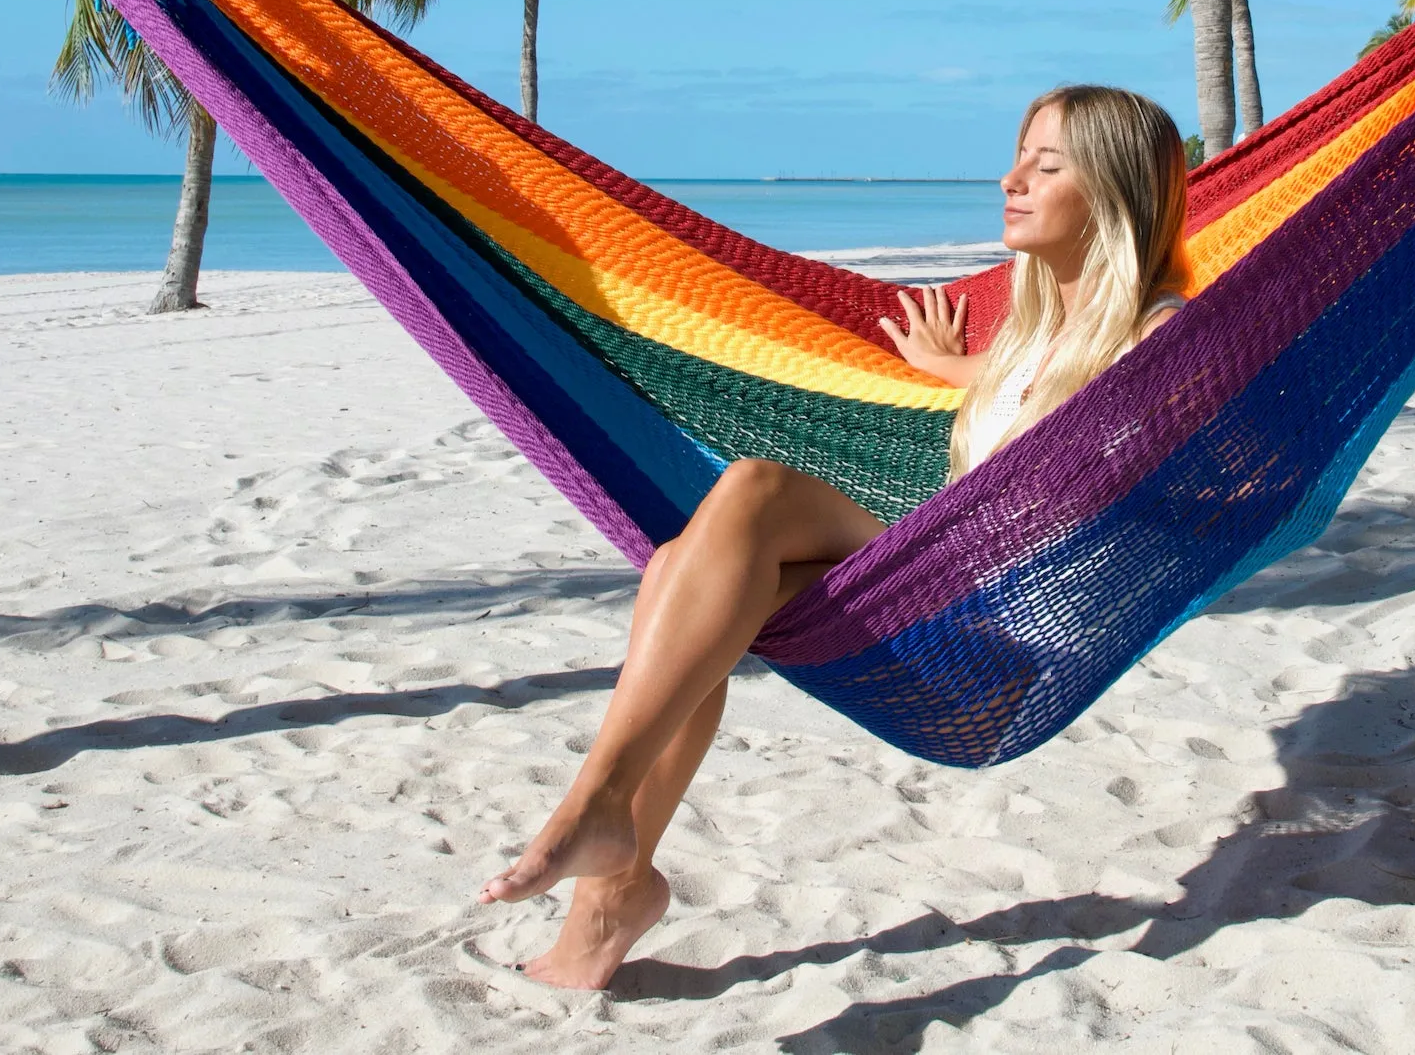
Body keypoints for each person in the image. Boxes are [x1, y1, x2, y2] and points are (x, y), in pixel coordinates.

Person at [477, 84, 1192, 988]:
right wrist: (944, 366)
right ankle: (608, 902)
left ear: (1116, 195)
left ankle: (597, 808)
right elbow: (1029, 391)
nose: (1009, 179)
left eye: (1045, 167)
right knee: (677, 577)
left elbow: (1196, 437)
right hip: (941, 591)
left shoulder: (1161, 342)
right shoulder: (1037, 338)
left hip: (996, 647)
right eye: (1018, 157)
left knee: (753, 492)